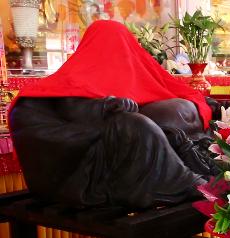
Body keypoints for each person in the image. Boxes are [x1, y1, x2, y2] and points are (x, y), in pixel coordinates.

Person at [8, 20, 216, 211]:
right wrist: (107, 106)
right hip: (69, 166)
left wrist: (112, 107)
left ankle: (186, 180)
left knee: (145, 126)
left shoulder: (93, 75)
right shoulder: (68, 82)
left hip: (94, 144)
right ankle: (183, 184)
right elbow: (74, 109)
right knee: (135, 126)